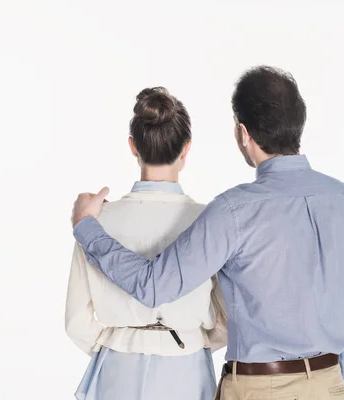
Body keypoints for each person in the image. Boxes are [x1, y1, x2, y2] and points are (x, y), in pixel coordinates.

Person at [70, 66, 344, 400]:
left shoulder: (233, 211)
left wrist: (86, 228)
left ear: (243, 133)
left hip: (257, 386)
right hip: (327, 384)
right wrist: (328, 378)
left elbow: (154, 286)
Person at [65, 87, 227, 400]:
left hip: (117, 364)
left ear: (133, 147)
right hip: (187, 365)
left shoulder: (95, 220)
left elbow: (77, 320)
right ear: (186, 149)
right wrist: (195, 339)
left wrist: (120, 342)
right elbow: (227, 315)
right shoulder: (209, 220)